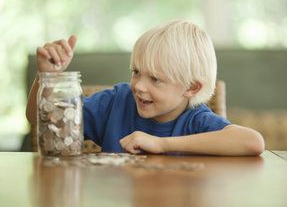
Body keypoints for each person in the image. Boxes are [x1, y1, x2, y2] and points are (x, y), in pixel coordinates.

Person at [26, 20, 265, 156]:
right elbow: (41, 118)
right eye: (136, 72)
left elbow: (253, 142)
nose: (139, 86)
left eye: (156, 79)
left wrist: (161, 144)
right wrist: (47, 76)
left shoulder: (195, 120)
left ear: (191, 87)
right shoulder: (116, 101)